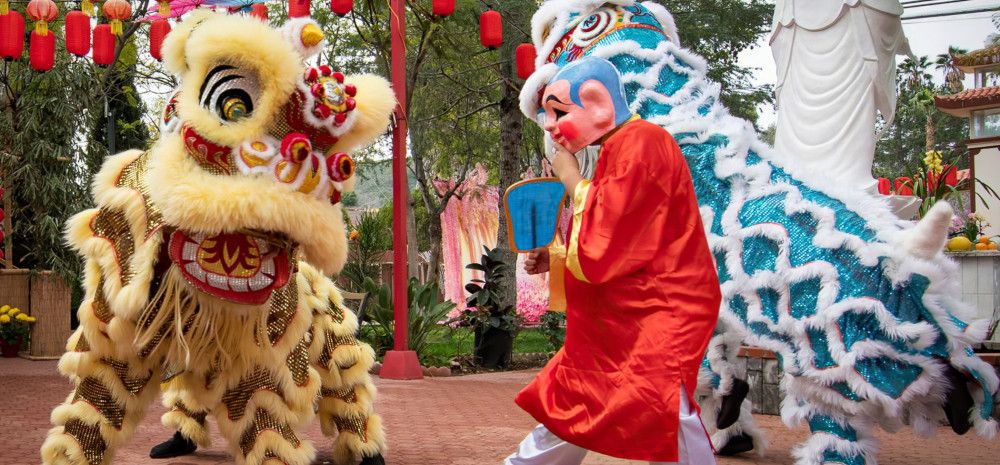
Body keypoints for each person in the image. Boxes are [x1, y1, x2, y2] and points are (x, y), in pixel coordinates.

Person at [505, 57, 721, 465]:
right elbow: (616, 236)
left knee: (663, 405)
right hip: (624, 313)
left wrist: (568, 175)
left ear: (597, 103)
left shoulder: (644, 142)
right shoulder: (619, 147)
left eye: (558, 113)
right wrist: (554, 261)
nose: (550, 127)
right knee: (576, 398)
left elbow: (608, 238)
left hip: (658, 309)